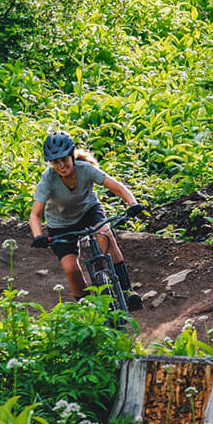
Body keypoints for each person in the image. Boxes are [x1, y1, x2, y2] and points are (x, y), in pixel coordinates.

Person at [29, 131, 146, 310]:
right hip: (60, 224)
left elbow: (117, 187)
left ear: (72, 156)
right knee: (71, 269)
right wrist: (38, 236)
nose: (61, 166)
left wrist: (133, 204)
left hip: (88, 212)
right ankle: (87, 307)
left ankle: (126, 290)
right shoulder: (48, 179)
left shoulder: (85, 169)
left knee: (106, 235)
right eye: (55, 162)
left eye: (64, 160)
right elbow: (35, 214)